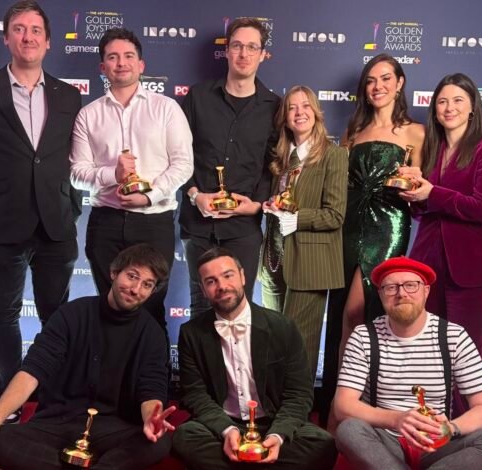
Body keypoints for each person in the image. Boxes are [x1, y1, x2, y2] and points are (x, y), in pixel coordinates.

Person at [0, 0, 82, 422]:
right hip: (0, 222)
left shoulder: (68, 94)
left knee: (56, 316)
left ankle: (54, 396)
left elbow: (74, 158)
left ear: (48, 40)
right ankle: (9, 404)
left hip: (56, 223)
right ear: (6, 37)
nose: (28, 37)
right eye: (19, 29)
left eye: (36, 30)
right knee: (4, 312)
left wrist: (73, 205)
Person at [0, 244, 176, 470]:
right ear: (114, 273)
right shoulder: (72, 314)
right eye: (132, 276)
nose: (136, 289)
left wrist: (150, 420)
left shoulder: (152, 333)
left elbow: (151, 388)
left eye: (147, 284)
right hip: (57, 423)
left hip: (112, 429)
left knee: (159, 441)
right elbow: (32, 371)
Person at [333, 256, 482, 470]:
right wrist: (396, 420)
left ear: (426, 291)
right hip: (384, 441)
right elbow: (343, 406)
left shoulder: (453, 336)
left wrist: (451, 428)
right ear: (381, 294)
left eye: (411, 285)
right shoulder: (363, 336)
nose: (401, 293)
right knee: (349, 431)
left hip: (439, 444)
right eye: (391, 287)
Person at [322, 53, 424, 426]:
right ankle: (340, 406)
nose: (377, 86)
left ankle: (368, 408)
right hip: (349, 225)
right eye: (370, 80)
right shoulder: (353, 132)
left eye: (385, 79)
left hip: (388, 224)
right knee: (343, 316)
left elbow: (421, 183)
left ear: (399, 84)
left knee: (367, 312)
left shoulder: (417, 132)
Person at [69, 27, 193, 333]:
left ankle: (152, 382)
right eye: (113, 57)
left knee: (151, 312)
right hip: (105, 224)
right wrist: (113, 174)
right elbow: (76, 173)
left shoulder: (166, 108)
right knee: (109, 310)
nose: (121, 63)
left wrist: (149, 195)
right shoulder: (88, 115)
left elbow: (183, 164)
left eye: (128, 56)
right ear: (103, 67)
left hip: (153, 222)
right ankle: (112, 382)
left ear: (141, 65)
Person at [173, 247, 337, 469]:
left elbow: (299, 394)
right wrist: (226, 430)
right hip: (224, 424)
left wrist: (278, 435)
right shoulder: (191, 333)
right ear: (202, 289)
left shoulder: (282, 326)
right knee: (185, 436)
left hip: (272, 421)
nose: (222, 286)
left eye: (228, 275)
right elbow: (195, 395)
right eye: (211, 281)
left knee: (321, 443)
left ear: (242, 276)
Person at [401, 73, 482, 394]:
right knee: (429, 351)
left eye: (458, 100)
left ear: (472, 107)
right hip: (429, 265)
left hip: (471, 267)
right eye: (442, 101)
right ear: (434, 110)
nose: (449, 108)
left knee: (467, 353)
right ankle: (431, 425)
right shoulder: (431, 150)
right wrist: (412, 195)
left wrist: (431, 194)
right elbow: (422, 211)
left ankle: (473, 429)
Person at [179, 18, 280, 316]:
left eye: (252, 47)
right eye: (237, 46)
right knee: (200, 307)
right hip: (198, 224)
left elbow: (273, 164)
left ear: (263, 54)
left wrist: (256, 205)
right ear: (226, 51)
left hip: (243, 229)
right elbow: (178, 156)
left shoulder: (275, 107)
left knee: (240, 308)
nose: (244, 54)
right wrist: (195, 194)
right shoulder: (197, 97)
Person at [259, 85, 347, 381]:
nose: (299, 113)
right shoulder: (282, 158)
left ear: (316, 113)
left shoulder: (333, 156)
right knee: (274, 340)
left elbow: (335, 214)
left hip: (310, 263)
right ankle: (273, 409)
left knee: (299, 345)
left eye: (306, 106)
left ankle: (297, 414)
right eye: (292, 108)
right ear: (284, 117)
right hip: (273, 260)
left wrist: (296, 220)